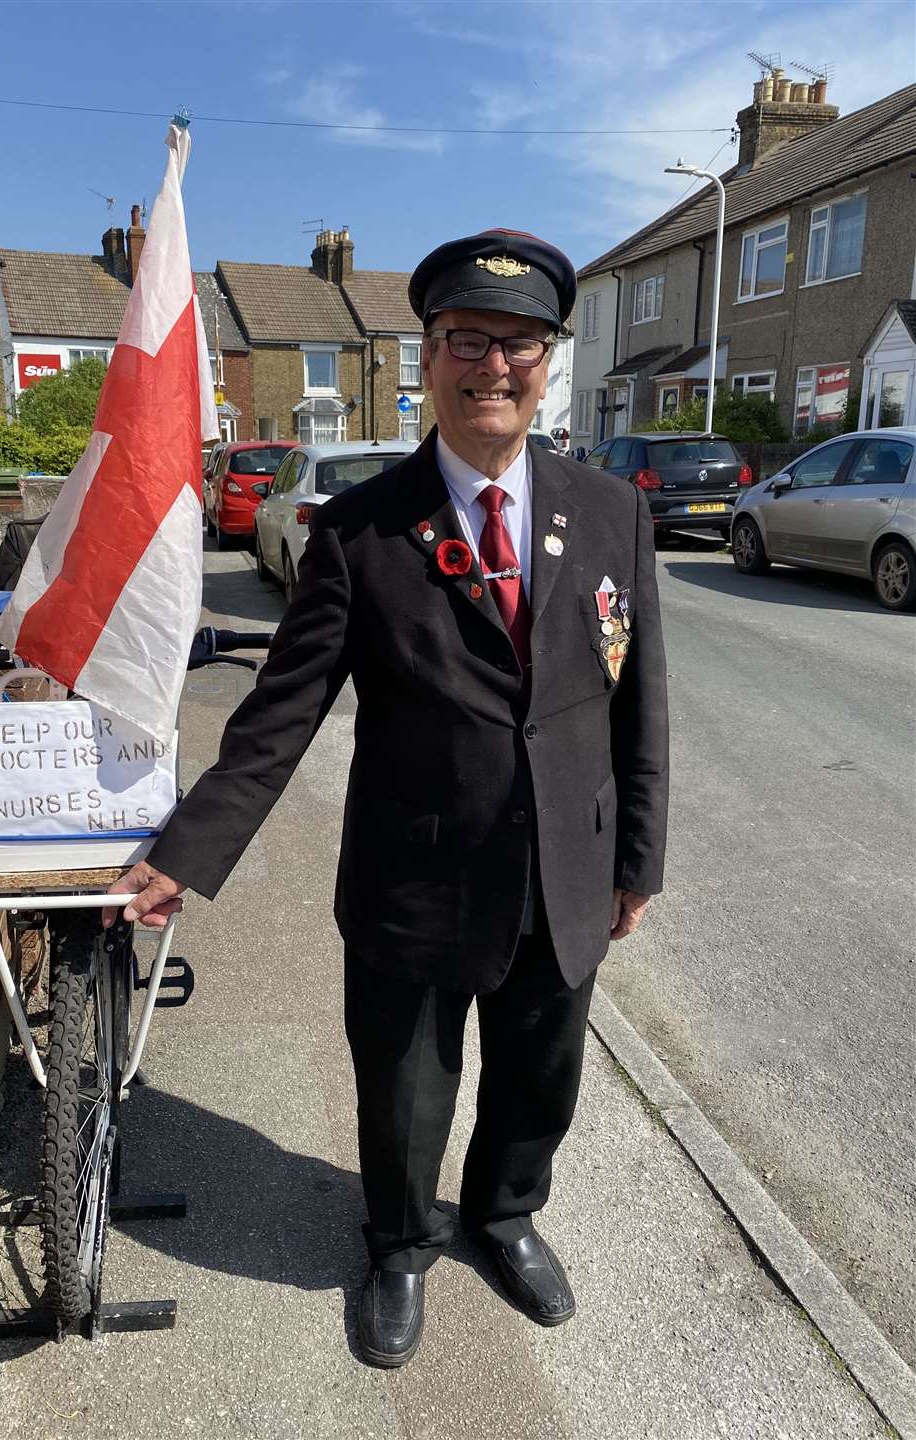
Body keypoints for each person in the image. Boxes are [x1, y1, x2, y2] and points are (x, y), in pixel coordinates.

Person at [109, 229, 669, 1369]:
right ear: (428, 357)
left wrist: (638, 860)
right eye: (470, 340)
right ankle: (403, 1242)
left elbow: (638, 703)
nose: (494, 367)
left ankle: (506, 1216)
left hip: (565, 864)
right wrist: (190, 845)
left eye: (520, 343)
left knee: (539, 1075)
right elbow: (282, 709)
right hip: (415, 878)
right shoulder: (362, 532)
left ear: (549, 361)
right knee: (407, 1089)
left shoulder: (609, 512)